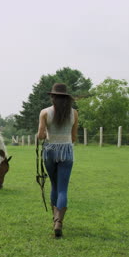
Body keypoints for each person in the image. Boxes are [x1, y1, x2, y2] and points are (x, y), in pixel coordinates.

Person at [37, 83, 78, 238]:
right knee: (63, 189)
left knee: (54, 185)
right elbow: (73, 137)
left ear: (53, 97)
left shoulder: (45, 112)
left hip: (50, 151)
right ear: (67, 98)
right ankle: (58, 222)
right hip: (67, 151)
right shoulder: (74, 113)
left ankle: (55, 220)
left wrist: (42, 133)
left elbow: (41, 136)